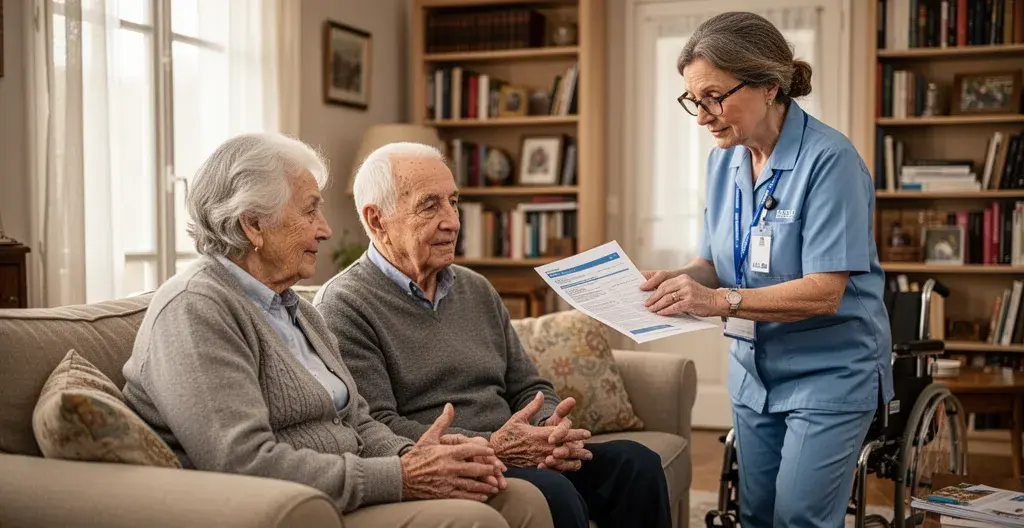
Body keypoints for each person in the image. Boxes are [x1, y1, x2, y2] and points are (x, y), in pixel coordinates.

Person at [121, 133, 553, 528]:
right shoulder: (196, 308)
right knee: (483, 520)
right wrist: (402, 475)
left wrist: (418, 458)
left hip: (359, 482)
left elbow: (359, 421)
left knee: (520, 499)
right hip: (300, 504)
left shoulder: (295, 309)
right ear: (253, 224)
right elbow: (244, 461)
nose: (326, 229)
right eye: (310, 210)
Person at [313, 142, 673, 528]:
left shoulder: (476, 288)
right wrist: (494, 444)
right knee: (554, 492)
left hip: (521, 447)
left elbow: (528, 385)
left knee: (638, 464)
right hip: (456, 460)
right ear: (377, 220)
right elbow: (378, 424)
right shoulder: (344, 304)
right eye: (430, 205)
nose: (452, 220)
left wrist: (549, 429)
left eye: (453, 201)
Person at [639, 12, 893, 528]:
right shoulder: (723, 161)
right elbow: (711, 263)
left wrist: (715, 302)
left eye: (715, 96)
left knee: (799, 517)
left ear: (768, 85)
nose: (703, 115)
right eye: (693, 100)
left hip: (829, 373)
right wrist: (681, 281)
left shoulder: (830, 160)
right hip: (754, 372)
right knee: (754, 514)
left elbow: (824, 292)